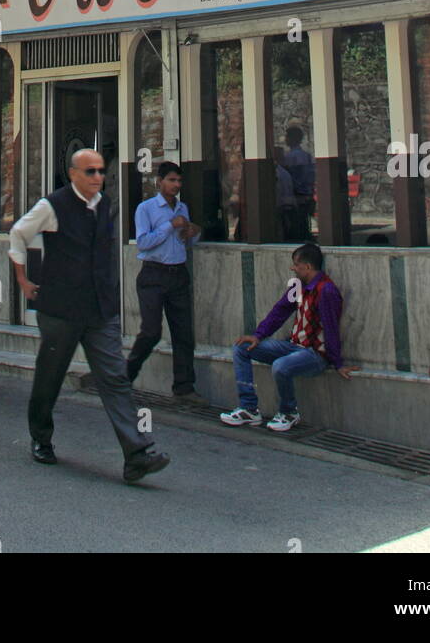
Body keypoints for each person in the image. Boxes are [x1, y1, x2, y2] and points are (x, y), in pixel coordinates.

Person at [9, 148, 170, 484]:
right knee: (50, 376)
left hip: (99, 309)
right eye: (90, 171)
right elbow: (18, 234)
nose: (98, 177)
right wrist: (22, 279)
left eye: (100, 171)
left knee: (115, 377)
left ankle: (136, 454)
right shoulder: (52, 206)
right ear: (73, 174)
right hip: (60, 309)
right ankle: (41, 437)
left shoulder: (105, 205)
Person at [220, 242, 350, 430]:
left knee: (281, 366)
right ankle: (248, 408)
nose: (293, 268)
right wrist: (258, 335)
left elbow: (331, 328)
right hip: (294, 346)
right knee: (242, 348)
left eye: (296, 264)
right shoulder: (298, 286)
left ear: (307, 267)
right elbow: (280, 312)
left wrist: (337, 363)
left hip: (315, 355)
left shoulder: (326, 290)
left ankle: (289, 411)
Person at [127, 161, 207, 406]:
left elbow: (186, 242)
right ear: (159, 181)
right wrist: (169, 225)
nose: (176, 185)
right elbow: (143, 242)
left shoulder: (183, 208)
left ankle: (184, 387)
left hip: (178, 273)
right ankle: (124, 377)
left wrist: (193, 233)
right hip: (153, 274)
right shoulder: (146, 208)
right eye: (172, 180)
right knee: (151, 331)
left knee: (183, 333)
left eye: (179, 181)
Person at [276, 124, 316, 242]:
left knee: (296, 223)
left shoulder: (291, 157)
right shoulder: (306, 156)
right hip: (306, 192)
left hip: (297, 194)